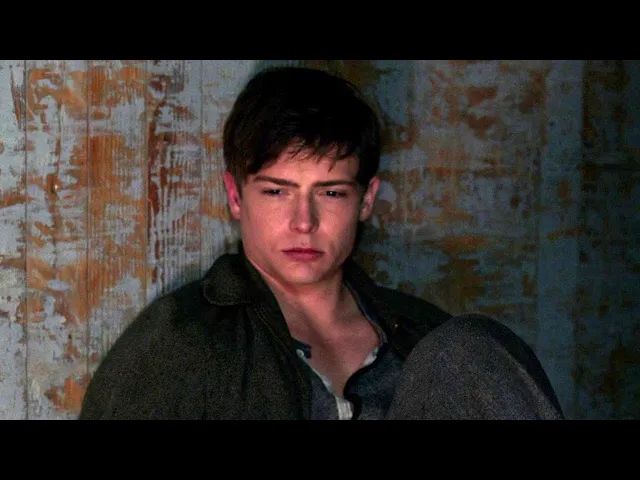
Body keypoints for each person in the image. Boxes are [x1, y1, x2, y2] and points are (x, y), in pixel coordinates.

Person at [78, 66, 564, 420]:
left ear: (366, 200)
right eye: (277, 192)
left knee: (470, 350)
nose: (303, 222)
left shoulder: (427, 338)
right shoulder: (178, 340)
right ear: (236, 196)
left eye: (330, 193)